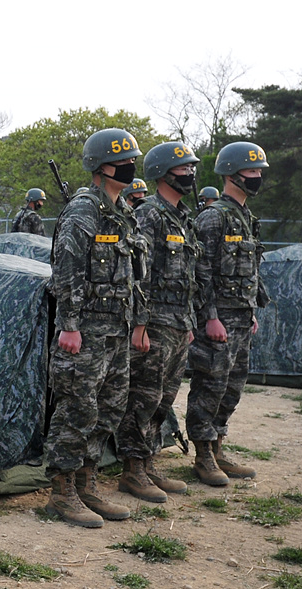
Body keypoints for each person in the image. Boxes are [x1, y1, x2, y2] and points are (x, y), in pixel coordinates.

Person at [42, 129, 147, 528]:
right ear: (101, 166)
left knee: (109, 408)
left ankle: (88, 482)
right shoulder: (83, 209)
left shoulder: (124, 212)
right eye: (123, 160)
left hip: (116, 331)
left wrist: (139, 320)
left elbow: (134, 275)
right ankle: (62, 491)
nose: (130, 167)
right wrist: (68, 324)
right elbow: (66, 269)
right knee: (77, 408)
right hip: (83, 333)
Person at [114, 142, 200, 503]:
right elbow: (140, 275)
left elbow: (190, 275)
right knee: (144, 398)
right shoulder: (149, 214)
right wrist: (140, 324)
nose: (190, 175)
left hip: (179, 323)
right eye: (183, 169)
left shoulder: (182, 217)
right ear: (164, 172)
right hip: (155, 323)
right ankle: (132, 469)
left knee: (164, 399)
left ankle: (148, 462)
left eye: (192, 168)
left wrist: (190, 320)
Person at [186, 142, 270, 485]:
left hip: (240, 316)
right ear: (233, 174)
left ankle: (218, 445)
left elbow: (249, 268)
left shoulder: (246, 217)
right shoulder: (213, 216)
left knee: (232, 386)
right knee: (210, 384)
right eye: (252, 171)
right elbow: (200, 270)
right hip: (217, 319)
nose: (258, 177)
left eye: (259, 171)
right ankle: (203, 454)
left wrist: (250, 310)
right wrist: (210, 316)